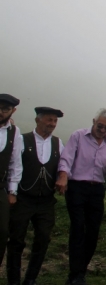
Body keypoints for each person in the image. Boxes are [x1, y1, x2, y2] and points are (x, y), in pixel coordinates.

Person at [56, 108, 106, 285]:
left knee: (93, 232)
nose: (102, 131)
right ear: (94, 121)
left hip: (97, 189)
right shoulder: (78, 136)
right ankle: (75, 275)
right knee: (78, 229)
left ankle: (80, 271)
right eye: (100, 126)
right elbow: (67, 158)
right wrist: (63, 176)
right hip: (77, 187)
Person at [7, 107, 65, 285]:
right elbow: (13, 166)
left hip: (46, 201)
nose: (52, 124)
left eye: (55, 121)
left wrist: (63, 177)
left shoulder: (58, 143)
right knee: (16, 240)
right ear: (37, 120)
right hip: (23, 198)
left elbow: (64, 165)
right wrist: (12, 192)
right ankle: (13, 280)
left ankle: (31, 278)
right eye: (49, 120)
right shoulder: (22, 140)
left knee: (43, 239)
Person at [0, 94, 23, 273]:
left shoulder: (14, 133)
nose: (1, 112)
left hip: (1, 188)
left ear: (12, 111)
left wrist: (12, 191)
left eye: (5, 109)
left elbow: (15, 163)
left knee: (2, 233)